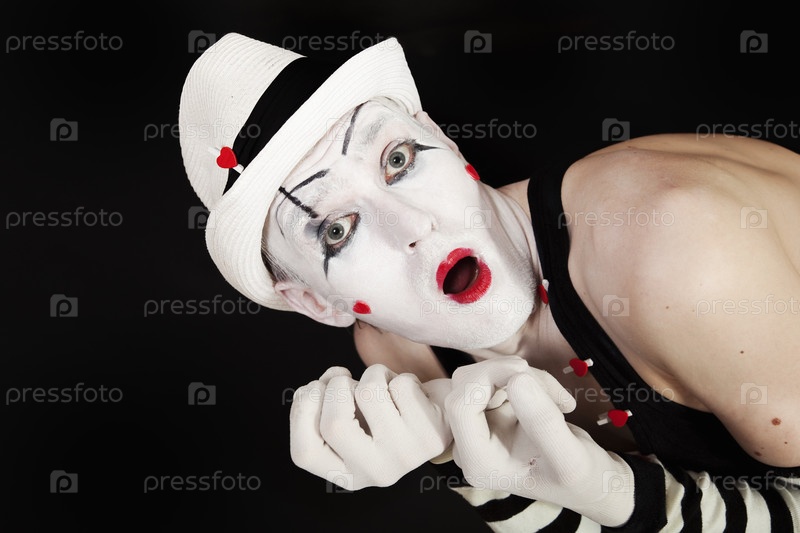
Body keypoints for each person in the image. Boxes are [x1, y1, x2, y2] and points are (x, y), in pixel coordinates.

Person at [178, 32, 800, 531]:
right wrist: (457, 451)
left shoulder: (680, 250)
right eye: (337, 230)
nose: (415, 225)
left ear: (442, 140)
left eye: (397, 159)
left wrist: (614, 494)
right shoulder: (403, 356)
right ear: (317, 303)